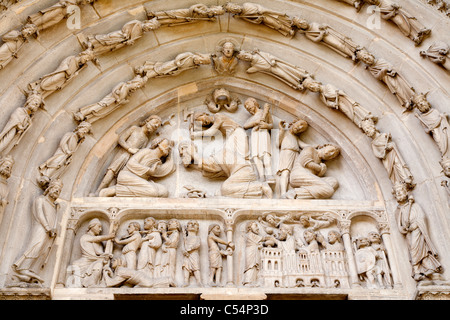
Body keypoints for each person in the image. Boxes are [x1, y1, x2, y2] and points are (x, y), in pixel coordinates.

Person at [93, 115, 162, 195]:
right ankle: (98, 191)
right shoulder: (134, 129)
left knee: (118, 177)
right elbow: (121, 139)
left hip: (130, 160)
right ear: (148, 121)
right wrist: (129, 149)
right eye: (156, 122)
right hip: (123, 154)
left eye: (158, 126)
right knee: (111, 172)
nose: (156, 126)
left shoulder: (146, 139)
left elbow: (140, 153)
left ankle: (108, 192)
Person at [12, 179, 63, 285]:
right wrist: (47, 227)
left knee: (43, 250)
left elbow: (54, 219)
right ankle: (23, 267)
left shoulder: (54, 206)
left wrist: (53, 229)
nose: (56, 192)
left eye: (59, 191)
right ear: (49, 189)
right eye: (55, 189)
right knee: (36, 245)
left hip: (49, 232)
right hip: (41, 228)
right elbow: (40, 215)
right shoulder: (41, 200)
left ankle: (32, 269)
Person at [99, 138, 175, 197]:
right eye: (166, 144)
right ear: (158, 143)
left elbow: (167, 169)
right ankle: (114, 191)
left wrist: (171, 156)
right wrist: (148, 170)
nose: (168, 146)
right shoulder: (146, 151)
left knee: (164, 192)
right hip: (127, 176)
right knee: (152, 191)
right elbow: (131, 163)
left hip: (139, 181)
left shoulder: (158, 162)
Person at [70, 218, 117, 287]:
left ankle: (92, 283)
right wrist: (108, 237)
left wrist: (106, 255)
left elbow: (99, 253)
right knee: (75, 264)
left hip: (95, 260)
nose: (100, 229)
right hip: (86, 260)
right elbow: (95, 239)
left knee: (98, 265)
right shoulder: (85, 237)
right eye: (99, 227)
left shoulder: (98, 243)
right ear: (92, 226)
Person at [243, 98, 274, 183]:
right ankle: (261, 176)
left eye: (248, 104)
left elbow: (271, 124)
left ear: (254, 102)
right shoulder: (252, 118)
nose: (247, 107)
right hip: (254, 134)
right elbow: (245, 126)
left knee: (265, 153)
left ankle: (269, 174)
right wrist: (256, 122)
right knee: (255, 156)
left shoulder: (264, 112)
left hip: (263, 133)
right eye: (246, 107)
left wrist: (266, 125)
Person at [277, 118, 309, 196]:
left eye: (302, 129)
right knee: (286, 172)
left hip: (295, 155)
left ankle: (291, 191)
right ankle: (283, 193)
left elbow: (304, 145)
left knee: (294, 174)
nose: (300, 128)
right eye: (300, 124)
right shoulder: (285, 132)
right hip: (287, 153)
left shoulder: (295, 137)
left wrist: (317, 146)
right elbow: (277, 143)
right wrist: (281, 130)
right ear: (294, 122)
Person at [182, 220, 202, 287]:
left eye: (195, 224)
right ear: (187, 228)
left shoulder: (197, 237)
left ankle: (199, 281)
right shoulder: (186, 238)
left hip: (194, 254)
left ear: (197, 228)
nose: (193, 225)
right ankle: (186, 281)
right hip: (187, 255)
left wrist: (189, 249)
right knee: (186, 267)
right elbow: (183, 246)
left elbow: (197, 245)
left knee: (196, 268)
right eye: (190, 223)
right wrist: (184, 251)